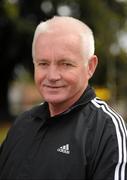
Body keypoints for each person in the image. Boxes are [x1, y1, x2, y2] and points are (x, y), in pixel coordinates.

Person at [0, 16, 127, 180]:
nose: (52, 76)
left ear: (90, 67)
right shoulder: (21, 124)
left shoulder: (106, 131)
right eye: (43, 63)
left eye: (65, 64)